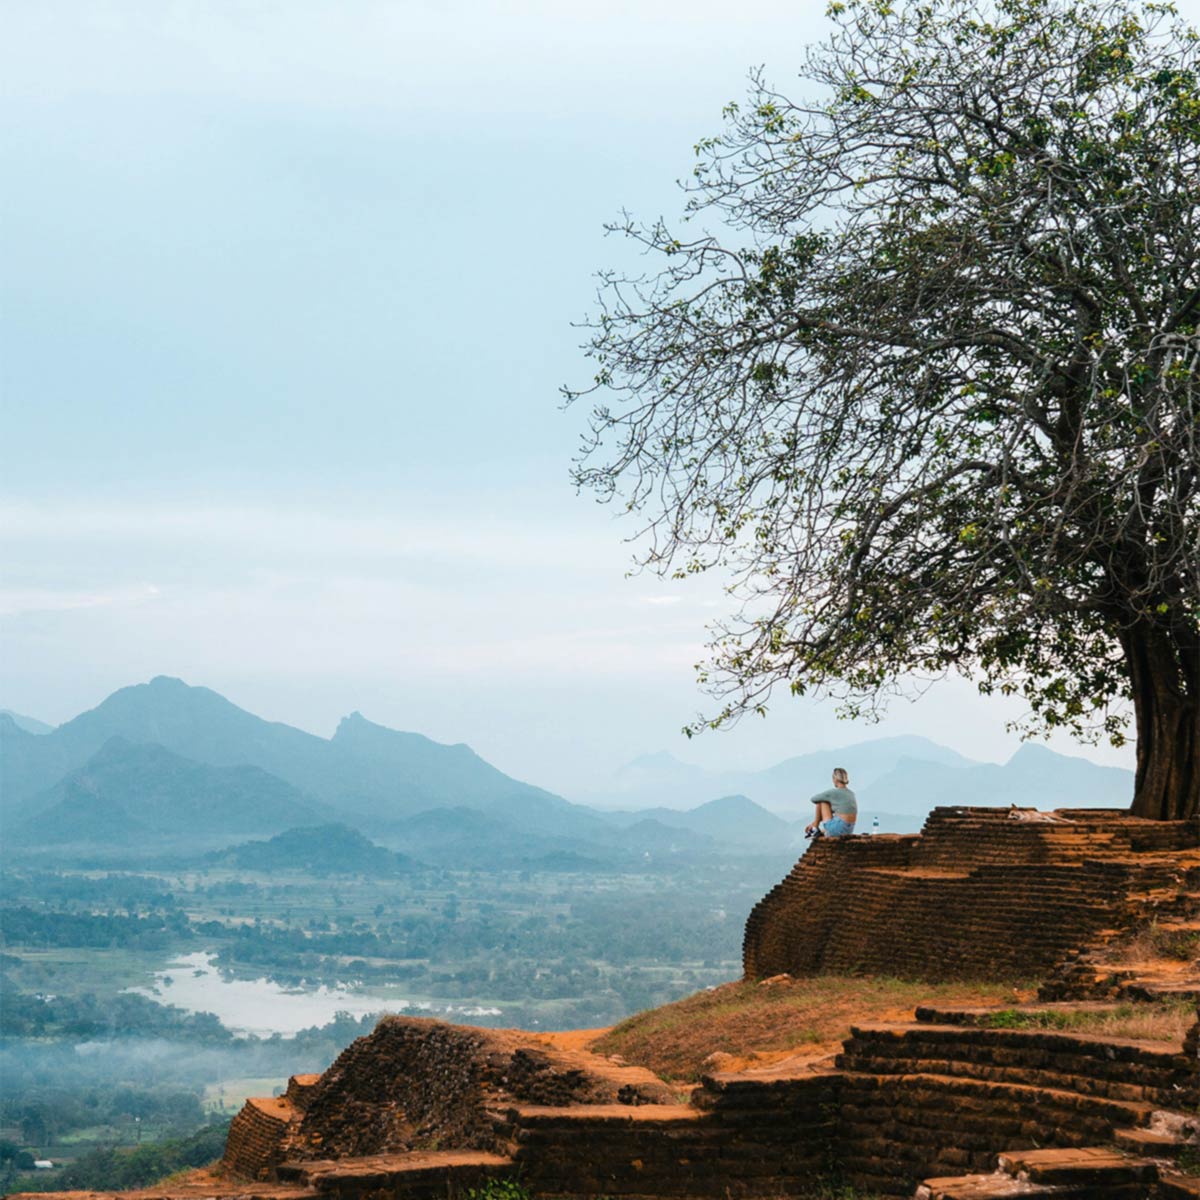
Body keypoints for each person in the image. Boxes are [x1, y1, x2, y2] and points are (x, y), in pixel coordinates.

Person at [804, 767, 857, 838]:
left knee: (822, 801)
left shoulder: (834, 792)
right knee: (824, 830)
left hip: (838, 828)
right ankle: (815, 826)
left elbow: (814, 799)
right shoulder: (851, 793)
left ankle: (815, 828)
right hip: (849, 830)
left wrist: (829, 801)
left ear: (835, 779)